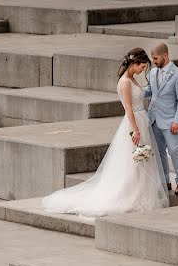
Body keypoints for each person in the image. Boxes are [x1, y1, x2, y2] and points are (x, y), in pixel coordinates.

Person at [41, 47, 169, 218]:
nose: (142, 71)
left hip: (141, 121)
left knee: (142, 160)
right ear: (134, 63)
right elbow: (128, 107)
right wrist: (136, 130)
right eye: (142, 67)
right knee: (136, 160)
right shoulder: (125, 82)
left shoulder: (132, 79)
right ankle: (132, 194)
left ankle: (141, 192)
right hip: (134, 124)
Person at [146, 43, 178, 197]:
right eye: (152, 58)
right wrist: (134, 91)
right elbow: (150, 91)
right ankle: (165, 181)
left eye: (156, 58)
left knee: (174, 150)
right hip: (154, 119)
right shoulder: (152, 73)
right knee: (159, 152)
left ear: (165, 55)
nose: (154, 61)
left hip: (170, 120)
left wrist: (177, 120)